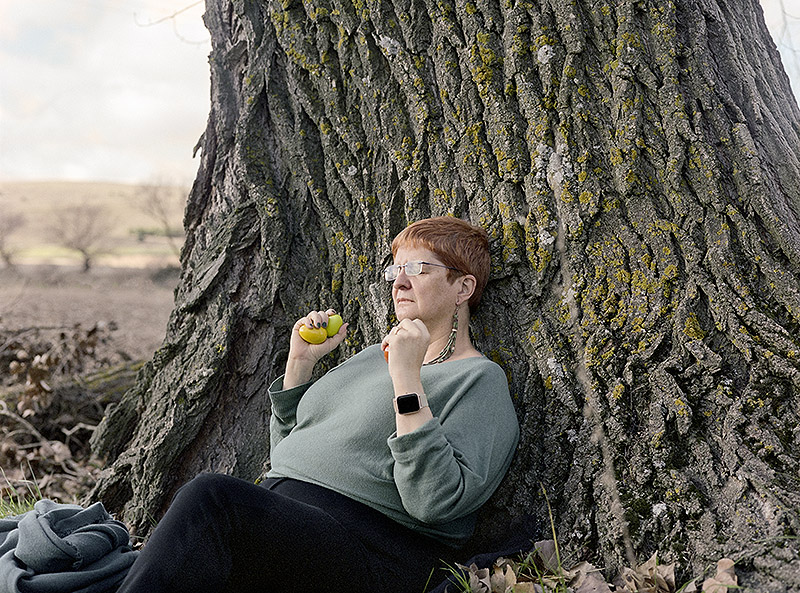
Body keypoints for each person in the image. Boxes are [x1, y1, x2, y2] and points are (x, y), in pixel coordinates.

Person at [116, 216, 519, 593]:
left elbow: (435, 502)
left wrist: (407, 378)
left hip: (374, 549)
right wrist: (299, 365)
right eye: (396, 270)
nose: (400, 282)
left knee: (211, 498)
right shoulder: (370, 356)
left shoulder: (478, 379)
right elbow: (291, 452)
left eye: (418, 270)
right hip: (290, 524)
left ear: (463, 288)